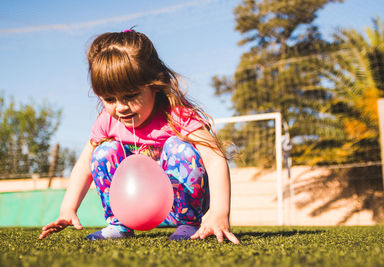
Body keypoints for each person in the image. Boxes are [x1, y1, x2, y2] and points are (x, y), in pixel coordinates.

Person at [39, 29, 240, 244]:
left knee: (179, 147)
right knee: (103, 152)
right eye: (110, 99)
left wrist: (219, 211)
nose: (121, 107)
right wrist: (68, 208)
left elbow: (214, 157)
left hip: (177, 207)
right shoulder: (108, 120)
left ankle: (188, 224)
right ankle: (119, 224)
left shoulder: (175, 114)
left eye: (130, 96)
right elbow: (85, 165)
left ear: (154, 84)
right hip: (134, 208)